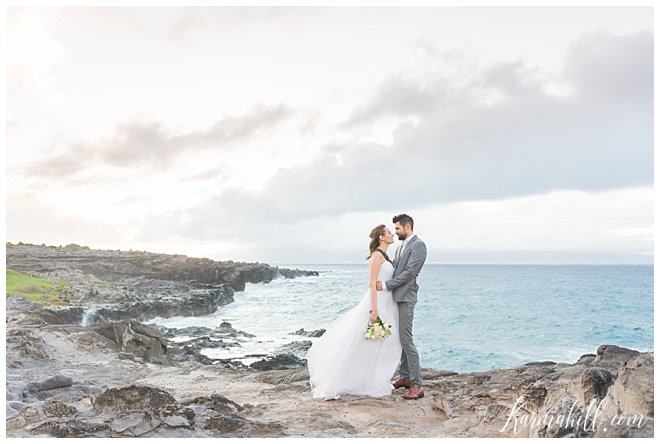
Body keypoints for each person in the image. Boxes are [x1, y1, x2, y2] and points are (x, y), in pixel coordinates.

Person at [306, 224, 402, 399]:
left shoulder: (385, 256)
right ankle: (358, 380)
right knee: (367, 343)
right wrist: (374, 310)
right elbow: (372, 284)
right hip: (378, 302)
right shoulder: (376, 256)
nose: (392, 234)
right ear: (381, 237)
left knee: (385, 343)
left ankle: (374, 378)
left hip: (388, 302)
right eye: (389, 232)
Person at [376, 214, 427, 400]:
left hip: (406, 297)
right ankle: (405, 377)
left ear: (407, 227)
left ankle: (417, 385)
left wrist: (386, 286)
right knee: (401, 338)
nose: (395, 232)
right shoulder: (400, 247)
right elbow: (397, 269)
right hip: (397, 297)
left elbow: (408, 273)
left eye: (397, 228)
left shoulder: (419, 245)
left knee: (407, 339)